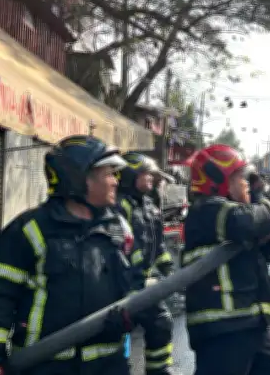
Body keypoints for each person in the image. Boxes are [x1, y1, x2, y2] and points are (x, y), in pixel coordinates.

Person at [0, 135, 137, 375]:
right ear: (79, 178)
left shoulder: (117, 229)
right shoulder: (31, 229)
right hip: (44, 366)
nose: (115, 182)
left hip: (106, 365)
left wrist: (129, 316)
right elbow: (1, 294)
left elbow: (136, 284)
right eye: (108, 174)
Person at [182, 144, 270, 375]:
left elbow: (259, 260)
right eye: (239, 177)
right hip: (222, 332)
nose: (245, 183)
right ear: (219, 181)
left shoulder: (236, 217)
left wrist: (265, 238)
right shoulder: (207, 210)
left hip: (252, 325)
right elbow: (242, 222)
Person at [116, 152, 175, 375]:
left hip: (145, 284)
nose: (151, 179)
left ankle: (159, 370)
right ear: (130, 175)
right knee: (118, 332)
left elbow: (158, 245)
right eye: (146, 174)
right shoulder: (118, 206)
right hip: (123, 285)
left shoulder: (150, 205)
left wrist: (169, 269)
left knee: (161, 324)